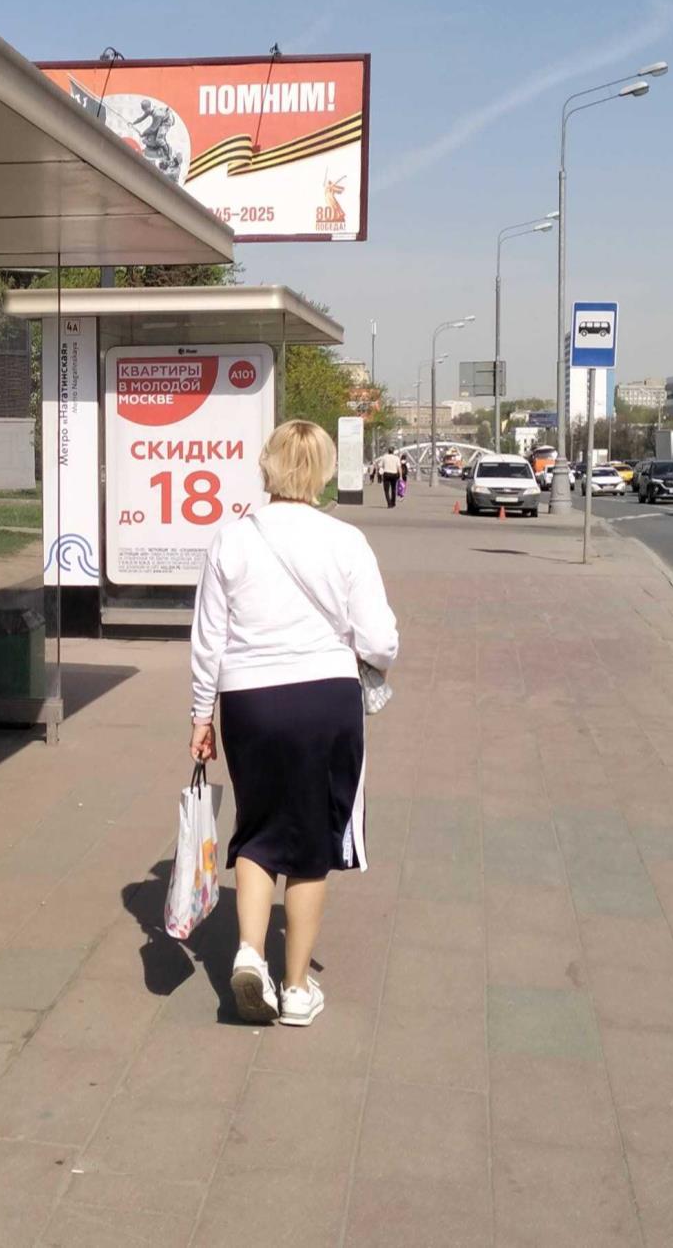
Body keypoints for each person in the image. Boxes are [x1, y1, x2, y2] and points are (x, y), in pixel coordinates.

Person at [189, 420, 400, 1027]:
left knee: (256, 827)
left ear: (268, 466)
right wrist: (370, 657)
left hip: (249, 702)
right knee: (310, 843)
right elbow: (380, 639)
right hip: (324, 698)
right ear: (325, 471)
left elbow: (208, 639)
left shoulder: (232, 540)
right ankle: (297, 988)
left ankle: (249, 954)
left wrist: (201, 714)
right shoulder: (346, 541)